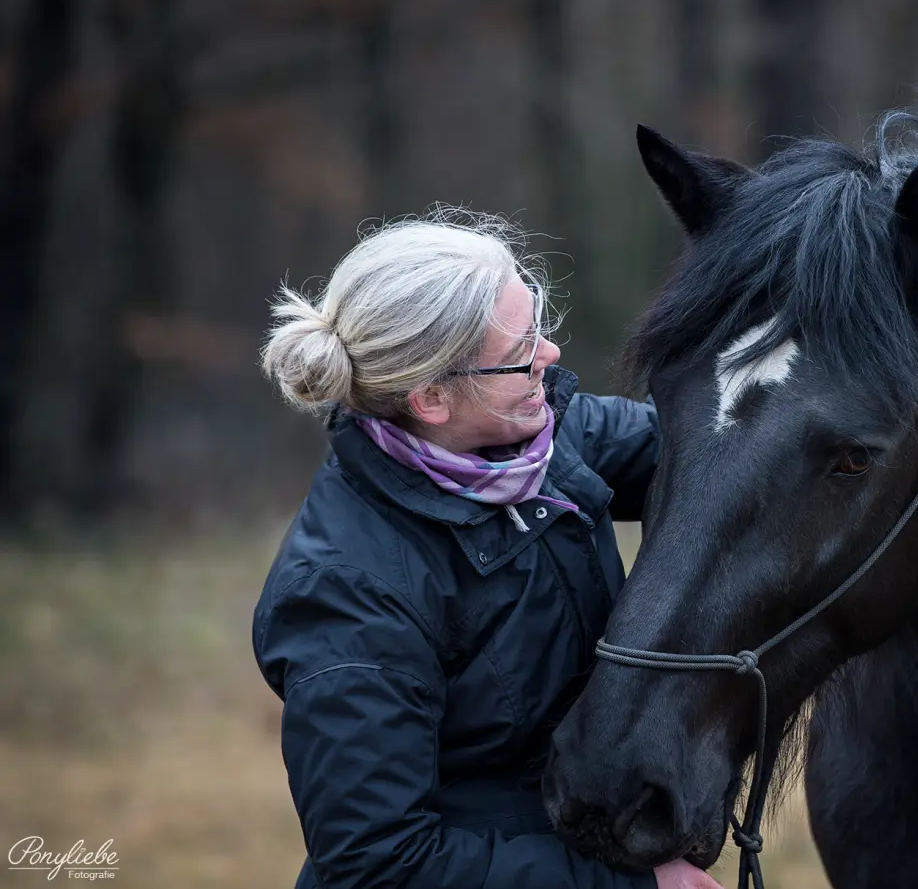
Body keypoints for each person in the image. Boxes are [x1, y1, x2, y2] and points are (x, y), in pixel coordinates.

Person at [252, 214, 723, 889]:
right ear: (432, 398)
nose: (551, 354)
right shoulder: (346, 594)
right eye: (522, 347)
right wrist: (633, 887)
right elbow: (378, 863)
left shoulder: (540, 439)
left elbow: (717, 458)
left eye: (538, 324)